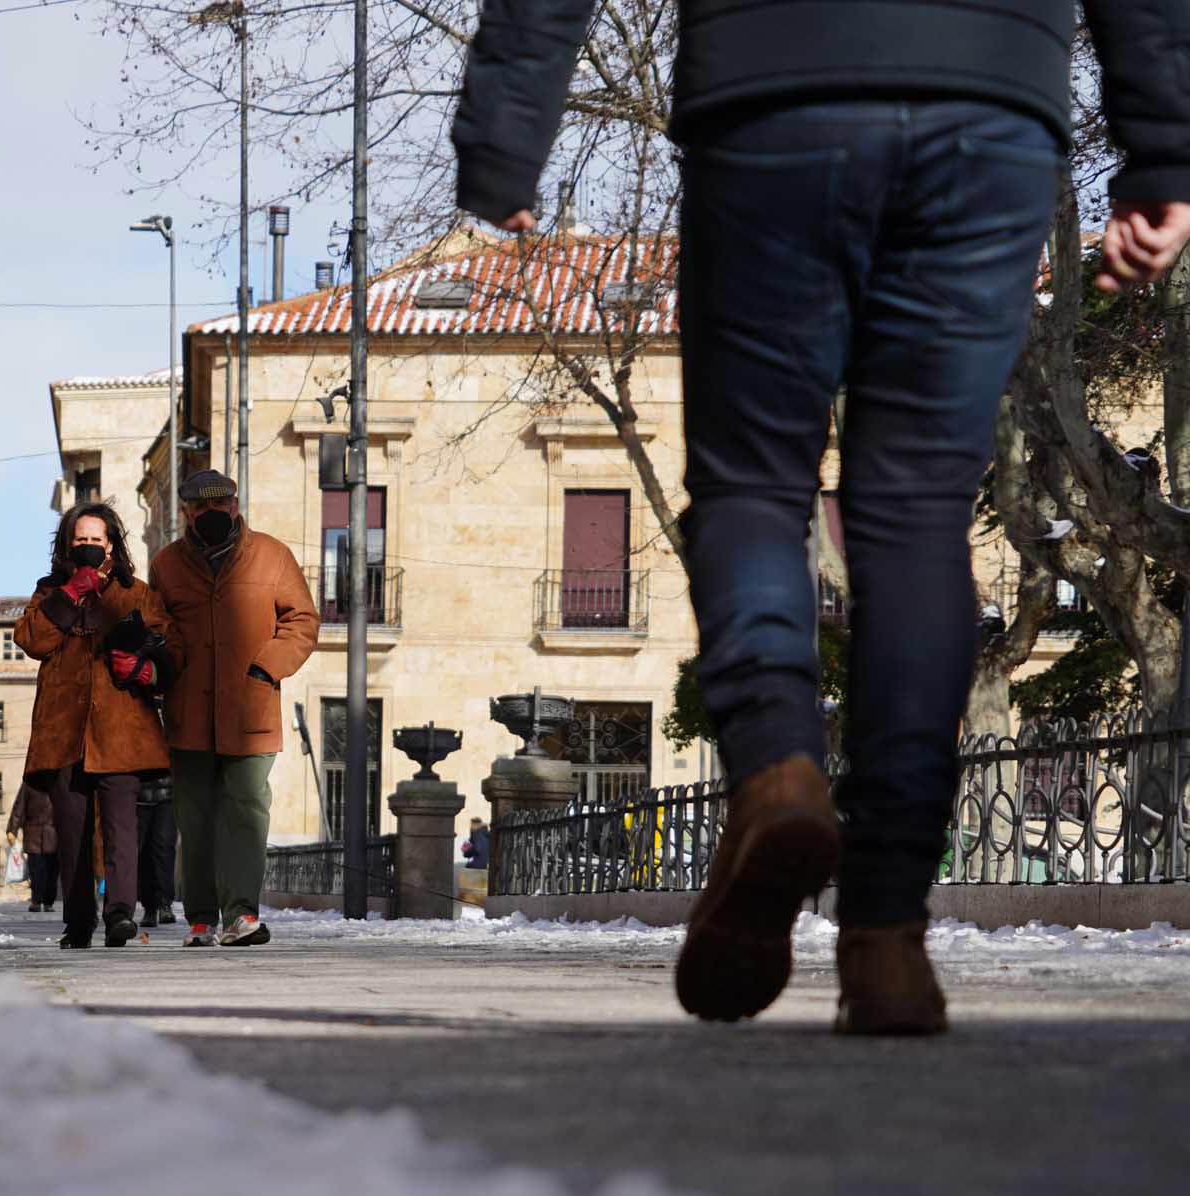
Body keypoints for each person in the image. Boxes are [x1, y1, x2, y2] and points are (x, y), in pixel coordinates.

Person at [453, 0, 1190, 1034]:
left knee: (755, 484)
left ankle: (777, 771)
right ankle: (885, 938)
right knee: (916, 514)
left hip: (774, 94)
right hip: (988, 104)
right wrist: (1162, 148)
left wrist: (505, 129)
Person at [150, 469, 320, 947]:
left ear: (235, 505)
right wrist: (167, 663)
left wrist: (266, 668)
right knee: (195, 819)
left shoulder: (272, 555)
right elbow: (158, 625)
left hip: (251, 711)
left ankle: (242, 914)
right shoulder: (166, 564)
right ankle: (201, 920)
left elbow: (302, 620)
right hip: (189, 713)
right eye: (201, 507)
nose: (212, 513)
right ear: (186, 512)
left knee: (246, 810)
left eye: (220, 504)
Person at [14, 503, 177, 949]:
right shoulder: (50, 591)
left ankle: (120, 913)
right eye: (80, 540)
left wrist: (146, 668)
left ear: (111, 545)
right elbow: (31, 640)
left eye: (96, 540)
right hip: (63, 730)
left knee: (121, 827)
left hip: (122, 728)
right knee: (73, 832)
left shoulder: (135, 593)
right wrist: (70, 593)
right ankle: (78, 922)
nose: (88, 547)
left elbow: (171, 649)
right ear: (67, 545)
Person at [6, 782, 59, 914]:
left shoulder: (59, 782)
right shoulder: (29, 783)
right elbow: (19, 808)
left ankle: (48, 902)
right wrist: (12, 830)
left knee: (52, 873)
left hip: (55, 835)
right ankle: (36, 901)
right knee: (36, 871)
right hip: (33, 834)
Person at [135, 773, 179, 927]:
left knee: (164, 847)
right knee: (143, 851)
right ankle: (149, 907)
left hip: (168, 793)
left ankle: (165, 903)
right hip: (139, 794)